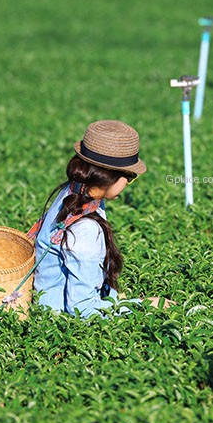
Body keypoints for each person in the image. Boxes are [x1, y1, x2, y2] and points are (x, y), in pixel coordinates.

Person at [28, 120, 164, 318]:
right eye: (130, 177)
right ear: (109, 178)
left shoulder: (72, 193)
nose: (129, 183)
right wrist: (143, 306)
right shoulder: (86, 230)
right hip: (57, 323)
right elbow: (82, 309)